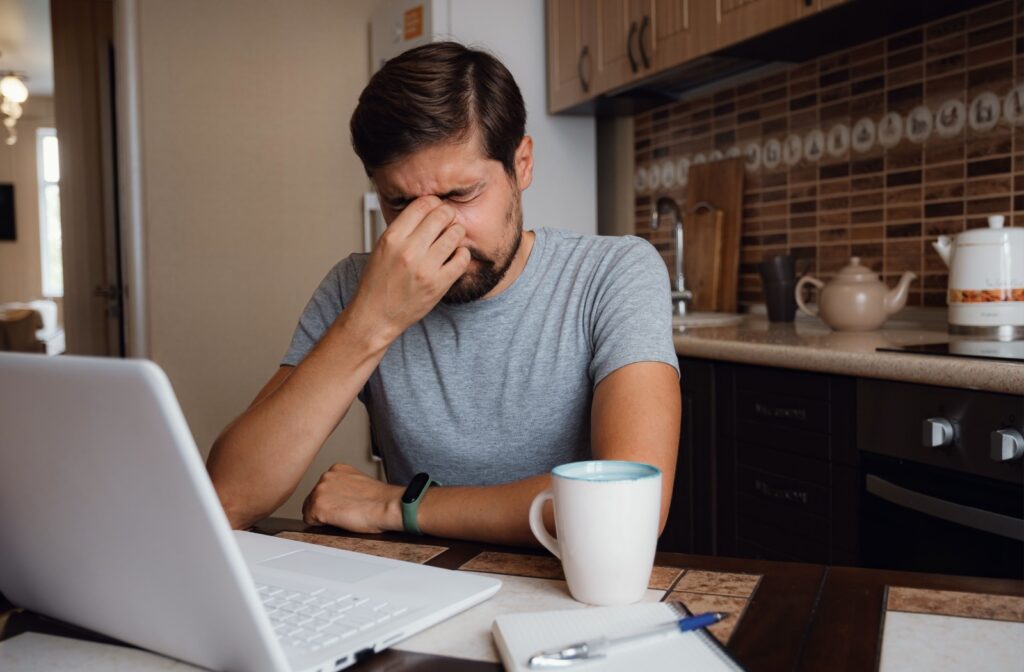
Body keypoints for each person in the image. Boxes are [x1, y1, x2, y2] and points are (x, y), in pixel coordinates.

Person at [207, 41, 681, 547]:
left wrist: (397, 506)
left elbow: (626, 508)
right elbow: (227, 498)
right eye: (399, 202)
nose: (435, 231)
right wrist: (373, 321)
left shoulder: (613, 273)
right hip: (421, 591)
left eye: (461, 195)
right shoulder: (358, 287)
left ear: (521, 164)